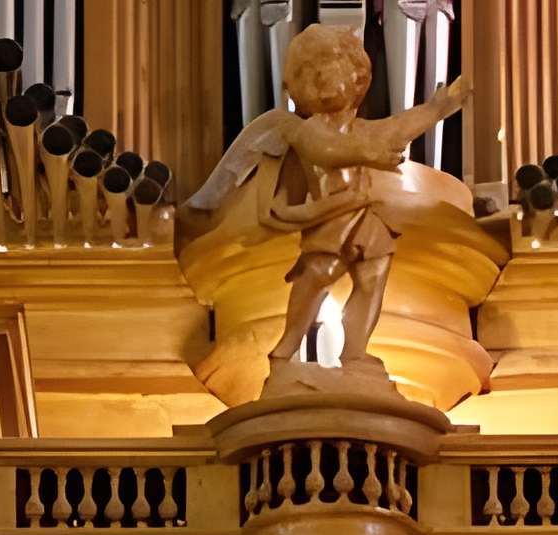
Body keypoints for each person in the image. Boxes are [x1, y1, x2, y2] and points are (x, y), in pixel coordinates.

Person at [186, 24, 471, 387]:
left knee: (374, 274)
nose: (322, 75)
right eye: (311, 69)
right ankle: (283, 352)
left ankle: (354, 351)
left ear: (356, 74)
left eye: (332, 63)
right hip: (327, 218)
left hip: (363, 215)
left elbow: (397, 128)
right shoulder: (300, 129)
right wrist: (370, 154)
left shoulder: (362, 130)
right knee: (317, 278)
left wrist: (435, 111)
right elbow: (326, 151)